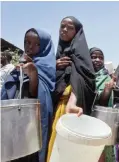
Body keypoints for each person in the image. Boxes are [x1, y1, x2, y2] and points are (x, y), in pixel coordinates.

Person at [2, 28, 56, 162]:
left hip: (33, 124)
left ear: (44, 46)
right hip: (14, 121)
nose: (29, 47)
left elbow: (40, 95)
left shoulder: (48, 66)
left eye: (36, 44)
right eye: (27, 42)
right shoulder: (22, 63)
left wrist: (33, 74)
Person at [46, 16, 96, 162]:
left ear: (77, 32)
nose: (65, 30)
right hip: (55, 110)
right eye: (62, 26)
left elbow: (82, 80)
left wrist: (72, 102)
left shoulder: (80, 58)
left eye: (70, 27)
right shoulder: (55, 58)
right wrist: (53, 66)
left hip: (71, 111)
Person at [89, 47, 115, 162]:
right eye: (94, 57)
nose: (97, 60)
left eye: (100, 57)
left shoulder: (106, 78)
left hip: (101, 121)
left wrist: (106, 91)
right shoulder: (83, 76)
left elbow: (103, 103)